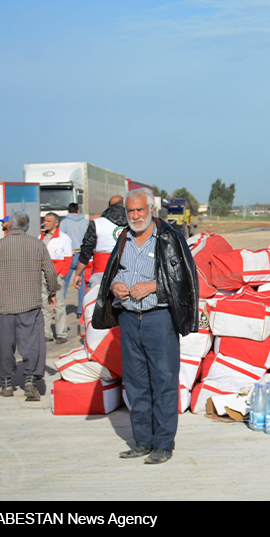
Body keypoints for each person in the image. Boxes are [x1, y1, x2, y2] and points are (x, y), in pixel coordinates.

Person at [94, 188, 197, 465]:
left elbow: (185, 281)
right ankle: (142, 441)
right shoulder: (124, 239)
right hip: (128, 320)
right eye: (131, 211)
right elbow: (115, 272)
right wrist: (115, 285)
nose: (136, 216)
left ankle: (163, 444)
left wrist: (153, 286)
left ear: (151, 209)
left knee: (163, 382)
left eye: (140, 210)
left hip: (159, 319)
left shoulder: (169, 239)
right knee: (136, 383)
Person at [0, 212, 59, 400]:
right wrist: (52, 292)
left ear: (10, 226)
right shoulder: (37, 244)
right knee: (33, 343)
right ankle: (30, 380)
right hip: (30, 304)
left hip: (3, 305)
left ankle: (6, 384)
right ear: (27, 227)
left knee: (3, 345)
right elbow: (50, 271)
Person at [72, 195, 128, 295]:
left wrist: (78, 273)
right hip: (127, 272)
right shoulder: (133, 223)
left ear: (108, 206)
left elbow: (86, 252)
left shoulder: (97, 223)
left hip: (101, 274)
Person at [40, 212, 74, 344]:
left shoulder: (64, 238)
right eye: (45, 220)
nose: (45, 223)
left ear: (56, 223)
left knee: (58, 305)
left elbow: (68, 259)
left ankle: (61, 334)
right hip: (42, 276)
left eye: (48, 221)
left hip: (56, 276)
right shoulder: (41, 237)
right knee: (44, 305)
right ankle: (46, 333)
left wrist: (61, 275)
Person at [60, 203, 89, 317]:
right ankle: (80, 311)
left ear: (68, 211)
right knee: (81, 282)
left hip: (69, 255)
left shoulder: (65, 222)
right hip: (82, 256)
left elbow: (61, 237)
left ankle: (60, 308)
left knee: (64, 283)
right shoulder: (85, 222)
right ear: (78, 211)